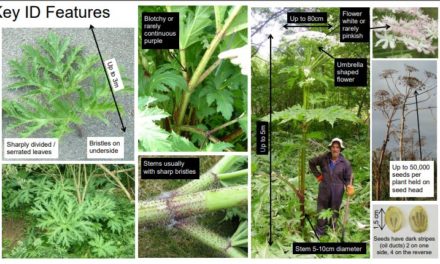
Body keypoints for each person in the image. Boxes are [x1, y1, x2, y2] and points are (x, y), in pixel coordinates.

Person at [308, 138, 355, 238]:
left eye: (337, 147)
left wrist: (349, 186)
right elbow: (311, 162)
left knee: (334, 210)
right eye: (333, 147)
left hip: (338, 190)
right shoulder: (323, 158)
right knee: (321, 209)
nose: (335, 149)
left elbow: (348, 178)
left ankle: (331, 230)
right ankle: (320, 232)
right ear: (330, 148)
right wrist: (318, 176)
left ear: (340, 149)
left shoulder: (345, 163)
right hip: (324, 188)